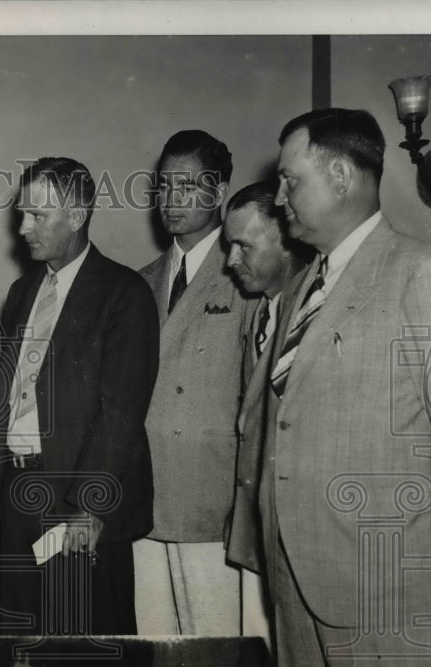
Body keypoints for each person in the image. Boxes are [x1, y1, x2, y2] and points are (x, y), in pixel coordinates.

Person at [260, 108, 431, 667]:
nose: (279, 199)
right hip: (297, 582)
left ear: (339, 175)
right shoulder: (304, 285)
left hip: (380, 595)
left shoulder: (422, 274)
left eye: (289, 180)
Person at [0, 156, 160, 635]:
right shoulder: (23, 291)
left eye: (37, 216)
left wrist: (91, 508)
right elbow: (14, 392)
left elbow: (121, 414)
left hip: (76, 503)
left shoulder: (124, 293)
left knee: (85, 657)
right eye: (22, 214)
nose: (23, 227)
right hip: (16, 496)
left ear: (77, 215)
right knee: (22, 647)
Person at [135, 130, 255, 636]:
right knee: (154, 647)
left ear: (219, 192)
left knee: (216, 648)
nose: (173, 199)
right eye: (165, 186)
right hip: (145, 497)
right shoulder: (140, 282)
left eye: (188, 185)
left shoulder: (246, 277)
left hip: (211, 501)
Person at [221, 180, 309, 641]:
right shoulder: (259, 312)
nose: (231, 261)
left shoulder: (310, 315)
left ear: (286, 242)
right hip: (255, 534)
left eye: (243, 246)